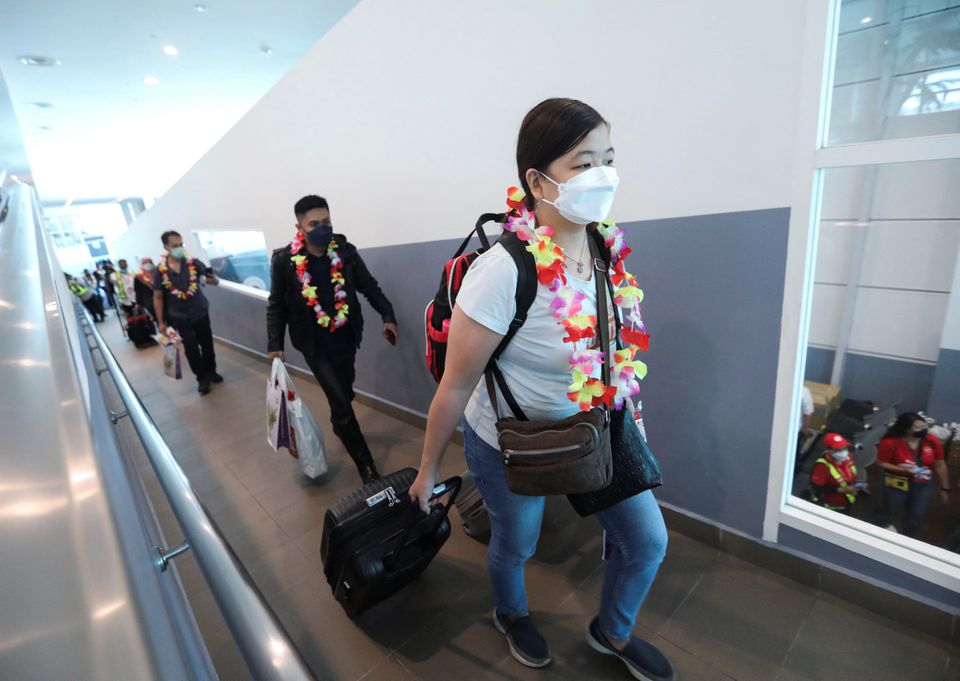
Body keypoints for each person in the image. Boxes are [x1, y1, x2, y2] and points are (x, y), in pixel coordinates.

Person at [409, 99, 673, 680]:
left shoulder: (605, 249)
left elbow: (612, 350)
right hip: (512, 438)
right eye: (583, 163)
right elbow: (456, 386)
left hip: (597, 426)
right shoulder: (502, 271)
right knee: (517, 543)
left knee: (648, 542)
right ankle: (511, 613)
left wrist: (633, 417)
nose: (603, 174)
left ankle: (612, 632)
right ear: (537, 180)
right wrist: (427, 471)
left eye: (609, 158)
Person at [266, 195, 399, 484]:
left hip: (347, 336)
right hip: (313, 345)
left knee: (345, 389)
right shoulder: (284, 261)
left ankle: (341, 423)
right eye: (314, 224)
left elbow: (368, 285)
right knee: (341, 402)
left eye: (326, 222)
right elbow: (276, 304)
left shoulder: (345, 252)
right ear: (299, 226)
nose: (322, 228)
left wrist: (387, 314)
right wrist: (274, 345)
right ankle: (367, 467)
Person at [152, 231, 223, 395]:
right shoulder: (160, 271)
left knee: (206, 343)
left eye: (181, 245)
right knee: (190, 347)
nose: (179, 248)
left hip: (199, 309)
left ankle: (211, 371)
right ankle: (201, 378)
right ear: (166, 247)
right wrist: (160, 321)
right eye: (175, 246)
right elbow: (158, 297)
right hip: (179, 315)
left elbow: (212, 278)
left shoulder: (193, 263)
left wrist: (213, 280)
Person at [874, 413, 951, 537]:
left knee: (917, 514)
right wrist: (900, 469)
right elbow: (881, 463)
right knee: (889, 509)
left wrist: (945, 488)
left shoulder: (931, 440)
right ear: (906, 429)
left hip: (923, 484)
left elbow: (940, 464)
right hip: (896, 482)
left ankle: (910, 537)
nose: (923, 430)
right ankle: (880, 529)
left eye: (924, 426)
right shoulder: (890, 442)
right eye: (918, 428)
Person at [809, 433, 860, 514]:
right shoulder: (822, 466)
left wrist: (856, 483)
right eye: (837, 449)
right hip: (832, 507)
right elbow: (817, 487)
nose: (842, 452)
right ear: (829, 450)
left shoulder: (848, 457)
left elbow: (851, 472)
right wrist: (842, 490)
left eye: (844, 448)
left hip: (848, 500)